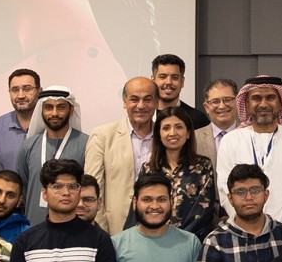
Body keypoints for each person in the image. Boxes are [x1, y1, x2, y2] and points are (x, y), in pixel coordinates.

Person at [215, 75, 282, 227]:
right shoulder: (230, 141)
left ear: (280, 103)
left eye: (270, 98)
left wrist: (275, 226)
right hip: (243, 230)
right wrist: (250, 223)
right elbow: (225, 189)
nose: (263, 104)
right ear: (246, 104)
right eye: (256, 98)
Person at [84, 77, 162, 235]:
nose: (141, 105)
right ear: (124, 102)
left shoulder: (164, 137)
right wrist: (103, 232)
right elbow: (93, 188)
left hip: (158, 226)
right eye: (134, 99)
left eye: (147, 99)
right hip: (114, 228)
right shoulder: (103, 135)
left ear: (156, 102)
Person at [15, 87, 91, 221]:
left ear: (71, 110)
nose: (54, 113)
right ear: (41, 110)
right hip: (34, 223)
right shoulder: (28, 145)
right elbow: (23, 188)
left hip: (73, 225)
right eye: (48, 107)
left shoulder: (86, 144)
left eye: (61, 107)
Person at [143, 109, 218, 239]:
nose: (172, 133)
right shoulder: (149, 168)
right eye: (166, 128)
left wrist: (180, 239)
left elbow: (203, 210)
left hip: (191, 241)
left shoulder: (203, 166)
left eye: (178, 127)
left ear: (188, 133)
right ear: (159, 135)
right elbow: (142, 207)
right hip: (153, 240)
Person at [0, 68, 42, 174]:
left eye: (27, 89)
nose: (20, 95)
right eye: (15, 90)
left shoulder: (50, 123)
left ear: (39, 91)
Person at [151, 53, 211, 133]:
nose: (168, 82)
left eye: (175, 77)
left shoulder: (197, 119)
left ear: (182, 82)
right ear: (153, 80)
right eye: (163, 77)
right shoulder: (144, 116)